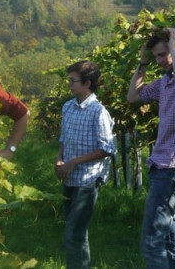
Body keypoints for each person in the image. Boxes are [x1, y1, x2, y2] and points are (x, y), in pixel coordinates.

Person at [126, 28, 175, 268]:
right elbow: (133, 97)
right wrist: (142, 64)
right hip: (160, 165)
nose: (160, 60)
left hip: (173, 165)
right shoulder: (163, 82)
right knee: (172, 238)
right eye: (157, 56)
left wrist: (174, 46)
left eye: (163, 54)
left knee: (152, 240)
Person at [55, 60, 116, 269]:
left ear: (87, 83)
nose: (70, 84)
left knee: (73, 236)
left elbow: (107, 149)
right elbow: (64, 138)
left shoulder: (99, 112)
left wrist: (74, 162)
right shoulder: (68, 107)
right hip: (69, 177)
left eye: (73, 81)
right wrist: (60, 159)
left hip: (87, 181)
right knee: (77, 234)